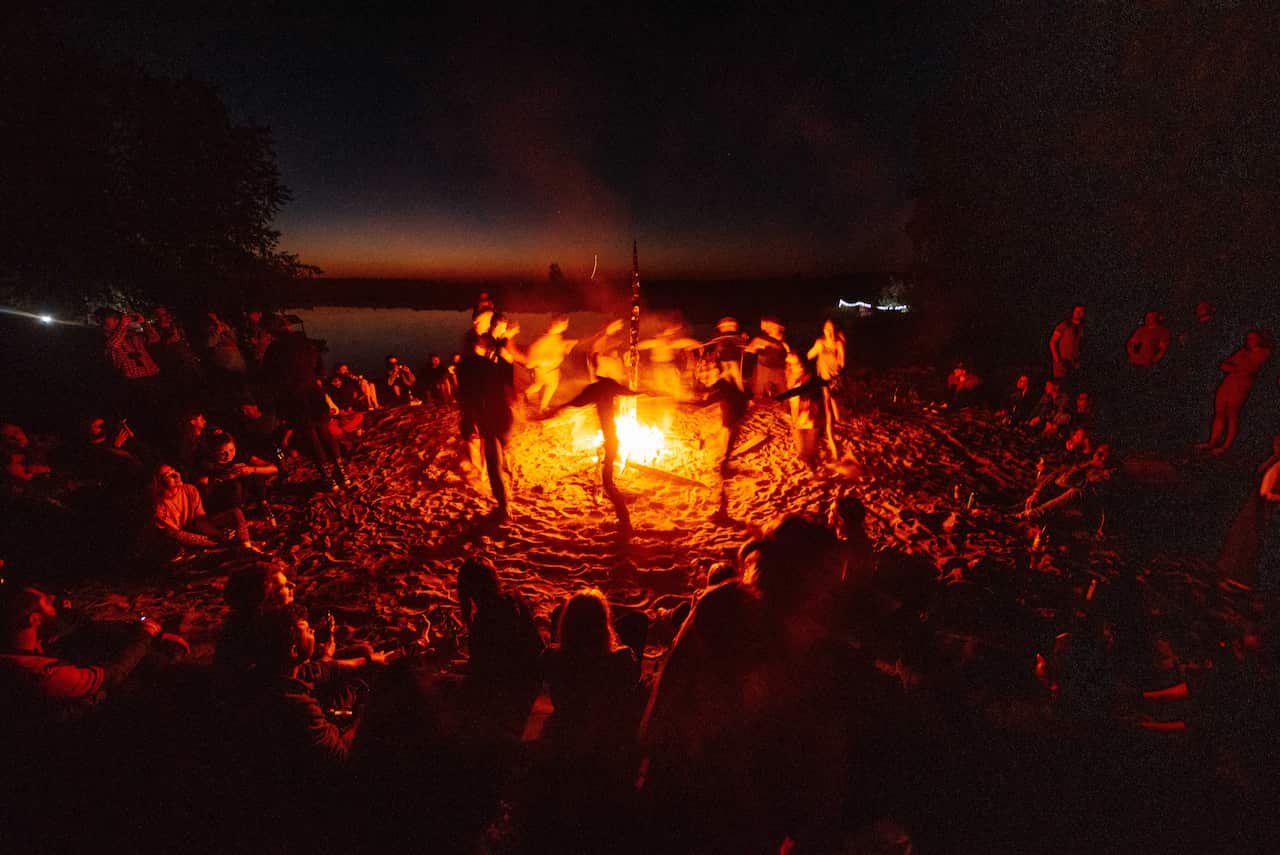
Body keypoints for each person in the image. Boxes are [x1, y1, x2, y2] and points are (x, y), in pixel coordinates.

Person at [640, 515, 859, 851]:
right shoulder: (728, 613)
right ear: (800, 577)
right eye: (829, 575)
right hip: (717, 815)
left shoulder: (725, 605)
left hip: (711, 811)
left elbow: (661, 713)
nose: (837, 587)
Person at [0, 584, 171, 723]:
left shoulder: (26, 646)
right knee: (144, 678)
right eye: (46, 602)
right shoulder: (43, 673)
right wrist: (146, 634)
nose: (52, 599)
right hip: (79, 726)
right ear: (34, 620)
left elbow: (78, 629)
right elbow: (113, 674)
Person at [546, 375, 640, 540]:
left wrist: (560, 408)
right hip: (611, 439)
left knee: (608, 484)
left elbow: (578, 401)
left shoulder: (597, 388)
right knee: (608, 482)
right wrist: (642, 393)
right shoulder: (609, 385)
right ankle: (624, 521)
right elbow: (627, 392)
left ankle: (625, 523)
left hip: (611, 441)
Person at [455, 558, 543, 730]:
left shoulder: (485, 619)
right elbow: (536, 645)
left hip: (508, 695)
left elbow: (484, 671)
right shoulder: (514, 600)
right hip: (530, 683)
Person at [150, 463, 262, 555]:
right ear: (160, 483)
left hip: (200, 532)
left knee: (236, 512)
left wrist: (217, 533)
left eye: (174, 470)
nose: (176, 475)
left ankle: (246, 547)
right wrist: (213, 538)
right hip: (183, 541)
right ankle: (225, 544)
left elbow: (200, 519)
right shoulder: (158, 506)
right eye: (168, 475)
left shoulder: (190, 489)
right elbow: (178, 534)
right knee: (174, 536)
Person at [1218, 434, 1280, 590]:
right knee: (1251, 540)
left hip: (1257, 508)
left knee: (1250, 540)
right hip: (1260, 509)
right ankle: (1241, 577)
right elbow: (1265, 492)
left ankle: (1241, 576)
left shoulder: (1272, 462)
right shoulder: (1276, 466)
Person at [1200, 330, 1273, 455]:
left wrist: (1236, 368)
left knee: (1232, 412)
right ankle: (1212, 442)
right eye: (1249, 338)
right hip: (1230, 381)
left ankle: (1226, 446)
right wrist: (1236, 369)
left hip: (1242, 383)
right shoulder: (1242, 352)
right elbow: (1225, 364)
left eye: (1253, 338)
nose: (1250, 341)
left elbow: (1251, 369)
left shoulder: (1264, 352)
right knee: (1220, 410)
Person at [196, 429, 278, 525]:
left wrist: (251, 469)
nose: (229, 455)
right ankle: (236, 517)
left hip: (245, 499)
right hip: (222, 504)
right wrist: (223, 477)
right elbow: (202, 493)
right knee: (234, 484)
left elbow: (274, 468)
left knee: (256, 473)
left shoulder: (239, 456)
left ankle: (263, 505)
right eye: (223, 453)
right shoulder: (207, 464)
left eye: (231, 450)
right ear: (214, 452)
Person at [1017, 444, 1115, 522]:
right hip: (1069, 504)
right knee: (1054, 476)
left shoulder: (1109, 474)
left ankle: (1029, 514)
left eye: (1102, 454)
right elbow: (1059, 476)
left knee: (1076, 491)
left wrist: (1087, 465)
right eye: (1098, 453)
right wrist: (1037, 492)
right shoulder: (1091, 465)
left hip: (1087, 514)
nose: (1098, 457)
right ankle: (1023, 505)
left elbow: (1066, 481)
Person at [807, 318, 846, 455]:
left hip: (834, 376)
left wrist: (835, 367)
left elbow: (842, 362)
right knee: (826, 399)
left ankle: (837, 418)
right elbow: (809, 355)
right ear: (823, 330)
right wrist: (815, 351)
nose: (829, 331)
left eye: (831, 329)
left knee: (834, 398)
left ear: (834, 330)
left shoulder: (838, 343)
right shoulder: (820, 342)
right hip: (823, 376)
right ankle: (830, 431)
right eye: (826, 329)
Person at [524, 315, 577, 413]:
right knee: (549, 385)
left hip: (549, 368)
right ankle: (540, 405)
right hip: (546, 369)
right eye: (565, 323)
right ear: (559, 324)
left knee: (540, 384)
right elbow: (536, 348)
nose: (566, 325)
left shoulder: (556, 335)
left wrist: (567, 344)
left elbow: (556, 347)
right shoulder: (548, 337)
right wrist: (535, 362)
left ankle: (530, 397)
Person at [746, 317, 790, 400]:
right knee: (759, 392)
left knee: (784, 392)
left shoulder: (784, 340)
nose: (770, 327)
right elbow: (749, 350)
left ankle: (786, 410)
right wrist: (753, 348)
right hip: (763, 369)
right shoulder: (759, 339)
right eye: (769, 325)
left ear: (780, 327)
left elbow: (789, 355)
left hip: (780, 370)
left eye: (772, 325)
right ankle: (758, 409)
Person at [1049, 304, 1086, 380]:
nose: (1078, 313)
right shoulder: (1064, 325)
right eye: (1076, 311)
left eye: (1081, 311)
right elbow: (1052, 342)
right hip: (1062, 364)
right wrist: (1057, 360)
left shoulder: (1083, 328)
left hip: (1075, 364)